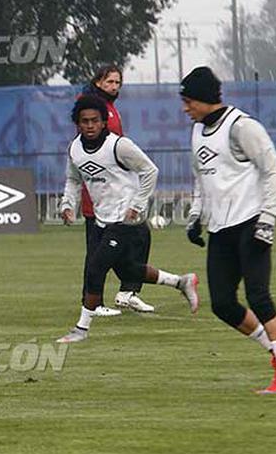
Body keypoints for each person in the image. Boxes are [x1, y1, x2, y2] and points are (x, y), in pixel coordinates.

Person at [181, 66, 276, 393]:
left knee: (258, 296)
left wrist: (268, 219)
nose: (185, 108)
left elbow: (273, 172)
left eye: (189, 101)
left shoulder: (242, 126)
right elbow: (200, 179)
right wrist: (195, 217)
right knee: (222, 304)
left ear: (205, 99)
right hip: (221, 230)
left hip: (252, 223)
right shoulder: (196, 131)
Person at [57, 95, 199, 343]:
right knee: (129, 271)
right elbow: (73, 179)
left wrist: (137, 204)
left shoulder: (119, 146)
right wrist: (67, 204)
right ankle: (180, 282)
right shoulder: (74, 149)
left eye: (95, 121)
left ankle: (81, 329)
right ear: (77, 124)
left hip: (125, 220)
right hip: (102, 219)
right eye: (84, 121)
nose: (90, 125)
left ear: (104, 122)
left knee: (96, 267)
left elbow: (150, 170)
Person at [75, 65, 155, 315]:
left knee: (139, 238)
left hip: (120, 193)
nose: (114, 87)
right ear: (97, 81)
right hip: (100, 196)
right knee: (97, 251)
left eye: (118, 83)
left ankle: (127, 292)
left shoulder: (111, 109)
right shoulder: (91, 106)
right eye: (109, 82)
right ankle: (93, 301)